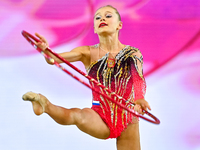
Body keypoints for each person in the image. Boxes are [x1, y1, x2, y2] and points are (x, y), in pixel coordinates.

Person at [22, 5, 151, 150]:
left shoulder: (132, 53)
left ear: (119, 25)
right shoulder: (86, 52)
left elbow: (138, 77)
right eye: (97, 17)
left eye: (108, 16)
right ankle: (45, 105)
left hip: (127, 114)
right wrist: (46, 50)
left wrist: (139, 98)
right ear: (95, 29)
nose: (102, 18)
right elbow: (54, 59)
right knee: (78, 115)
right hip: (100, 114)